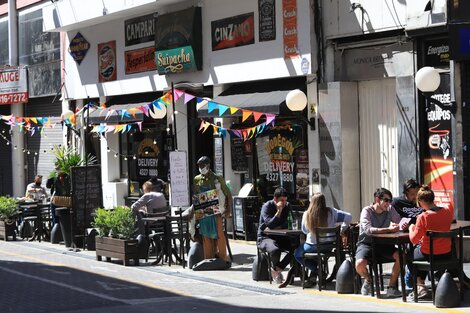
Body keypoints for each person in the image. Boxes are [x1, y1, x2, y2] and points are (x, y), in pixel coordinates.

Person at [355, 187, 406, 298]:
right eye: (386, 200)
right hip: (367, 244)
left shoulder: (390, 209)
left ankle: (391, 287)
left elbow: (400, 222)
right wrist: (388, 229)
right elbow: (368, 230)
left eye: (390, 200)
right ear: (378, 200)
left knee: (401, 256)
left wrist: (403, 225)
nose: (388, 203)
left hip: (384, 244)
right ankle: (369, 280)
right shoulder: (367, 211)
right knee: (359, 264)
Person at [294, 193, 352, 287]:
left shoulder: (307, 214)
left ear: (311, 202)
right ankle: (316, 274)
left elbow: (304, 231)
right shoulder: (332, 212)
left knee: (297, 254)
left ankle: (318, 271)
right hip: (329, 246)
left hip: (312, 247)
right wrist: (342, 229)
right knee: (315, 254)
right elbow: (348, 216)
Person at [408, 185, 453, 300]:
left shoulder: (423, 217)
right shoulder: (448, 211)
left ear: (421, 201)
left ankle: (420, 285)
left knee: (409, 254)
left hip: (430, 255)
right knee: (420, 253)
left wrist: (411, 228)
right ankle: (421, 285)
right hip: (447, 254)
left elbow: (414, 239)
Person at [193, 156, 232, 261]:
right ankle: (208, 258)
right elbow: (196, 195)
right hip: (203, 211)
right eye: (199, 166)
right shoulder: (197, 179)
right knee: (205, 235)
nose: (200, 167)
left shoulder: (217, 178)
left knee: (219, 234)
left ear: (208, 165)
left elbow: (228, 194)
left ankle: (223, 258)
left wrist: (228, 210)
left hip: (216, 210)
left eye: (202, 165)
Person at [257, 187, 293, 284]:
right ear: (275, 199)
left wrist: (276, 227)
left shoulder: (287, 206)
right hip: (265, 237)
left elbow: (290, 223)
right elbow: (269, 223)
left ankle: (277, 268)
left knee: (296, 247)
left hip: (281, 236)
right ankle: (276, 271)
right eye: (282, 200)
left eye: (285, 200)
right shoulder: (267, 206)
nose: (284, 203)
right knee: (275, 249)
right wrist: (279, 211)